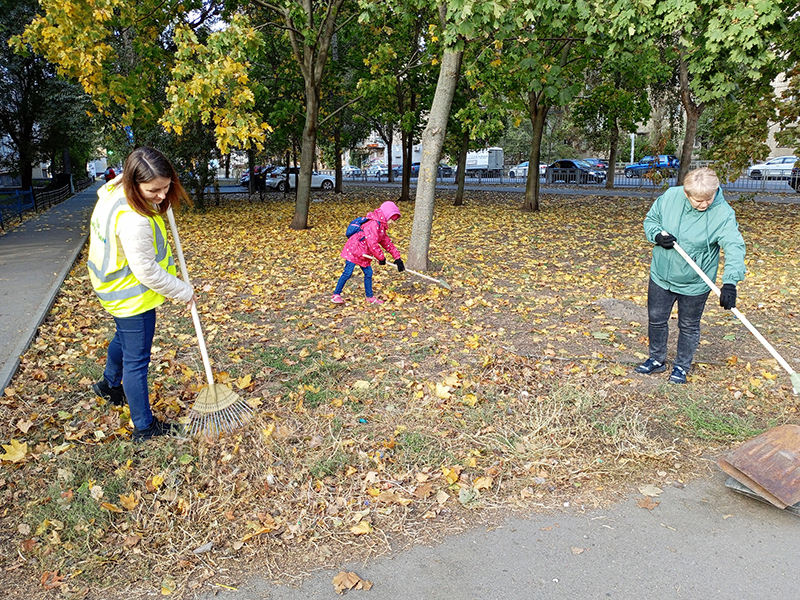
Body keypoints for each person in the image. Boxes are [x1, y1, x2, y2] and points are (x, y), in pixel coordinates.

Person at [88, 147, 194, 441]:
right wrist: (184, 292)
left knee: (123, 337)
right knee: (137, 361)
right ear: (135, 184)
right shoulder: (134, 220)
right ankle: (144, 427)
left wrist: (154, 193)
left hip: (108, 285)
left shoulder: (114, 188)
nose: (161, 196)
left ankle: (108, 384)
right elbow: (147, 271)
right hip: (130, 295)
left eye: (165, 186)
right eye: (153, 190)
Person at [636, 167, 746, 384]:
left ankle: (681, 366)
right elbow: (651, 220)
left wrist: (730, 282)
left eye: (709, 198)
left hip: (696, 282)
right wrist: (657, 235)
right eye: (698, 200)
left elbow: (734, 246)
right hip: (662, 274)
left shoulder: (722, 214)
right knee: (657, 320)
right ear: (686, 194)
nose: (704, 204)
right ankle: (657, 359)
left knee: (688, 325)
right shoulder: (670, 197)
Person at [332, 200, 404, 305]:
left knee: (368, 273)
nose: (393, 223)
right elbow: (372, 243)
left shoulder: (381, 228)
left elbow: (387, 243)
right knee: (347, 273)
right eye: (392, 219)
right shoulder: (373, 224)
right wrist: (381, 258)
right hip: (354, 250)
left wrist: (397, 258)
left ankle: (369, 297)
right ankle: (336, 294)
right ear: (386, 216)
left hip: (364, 253)